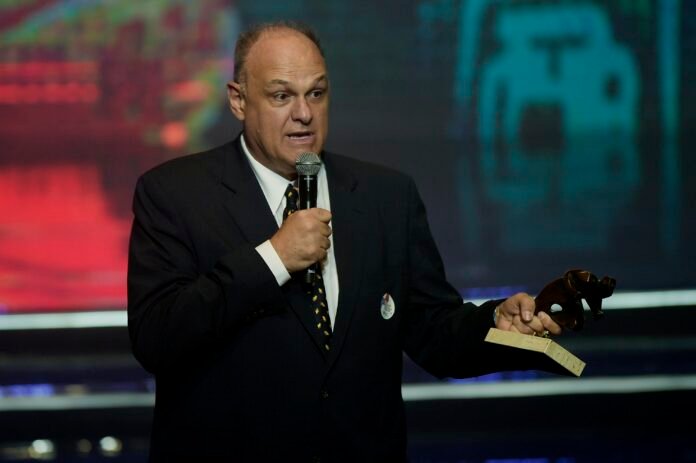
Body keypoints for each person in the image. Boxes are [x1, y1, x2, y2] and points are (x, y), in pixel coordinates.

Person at [127, 21, 562, 462]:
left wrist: (496, 325)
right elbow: (156, 338)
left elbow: (433, 331)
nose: (304, 113)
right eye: (281, 96)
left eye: (316, 93)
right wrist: (273, 259)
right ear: (238, 100)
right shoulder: (175, 194)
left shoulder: (386, 197)